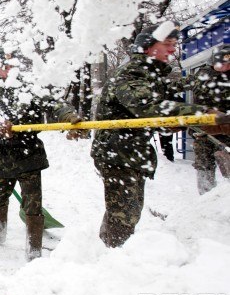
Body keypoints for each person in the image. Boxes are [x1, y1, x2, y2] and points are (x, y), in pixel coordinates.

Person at [91, 22, 218, 247]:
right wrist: (200, 113)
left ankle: (108, 253)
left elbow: (144, 115)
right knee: (124, 214)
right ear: (148, 47)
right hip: (117, 151)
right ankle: (112, 259)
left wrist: (171, 123)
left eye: (174, 44)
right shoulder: (132, 73)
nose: (173, 50)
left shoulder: (150, 75)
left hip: (128, 150)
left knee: (125, 211)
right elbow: (146, 107)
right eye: (167, 44)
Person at [0, 49, 85, 260]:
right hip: (0, 159)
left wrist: (68, 116)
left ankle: (34, 246)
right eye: (4, 66)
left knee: (32, 205)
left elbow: (54, 104)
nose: (10, 69)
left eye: (12, 65)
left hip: (28, 156)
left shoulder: (30, 89)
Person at [190, 44, 230, 194]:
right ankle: (206, 199)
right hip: (203, 132)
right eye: (223, 62)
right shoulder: (203, 76)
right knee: (204, 166)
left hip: (226, 131)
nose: (227, 66)